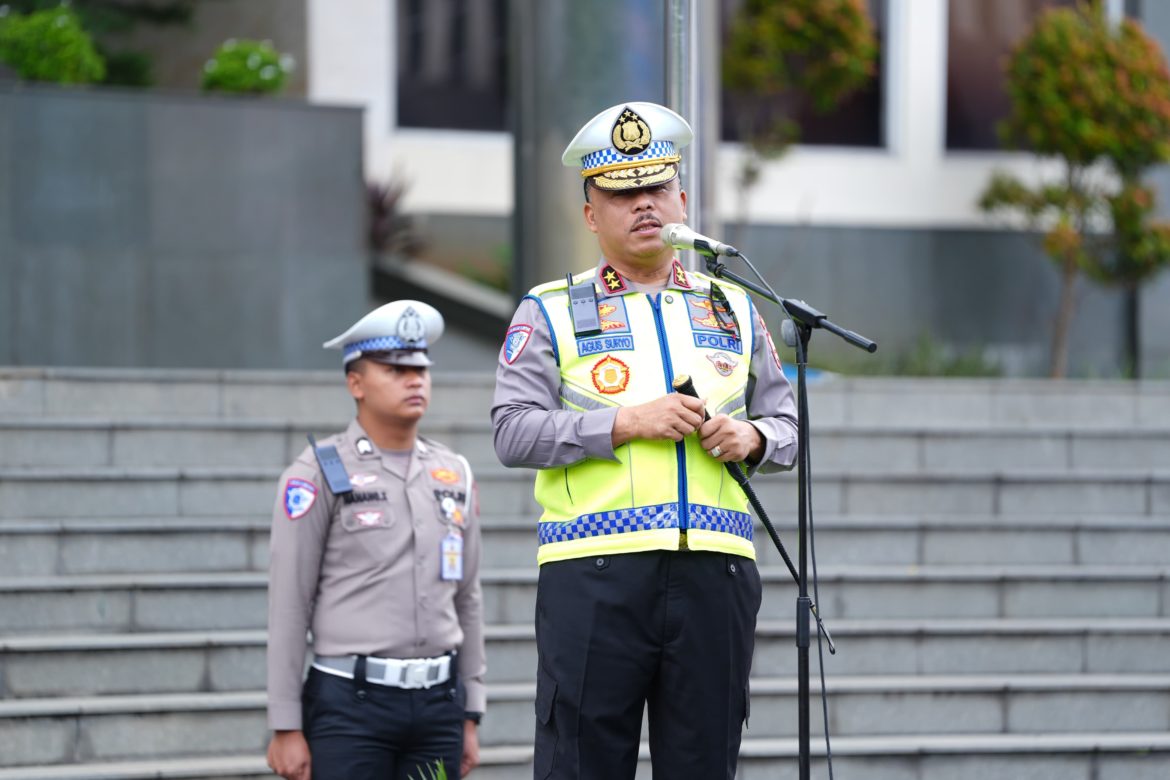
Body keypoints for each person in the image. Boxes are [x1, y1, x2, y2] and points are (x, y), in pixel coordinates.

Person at [492, 101, 799, 779]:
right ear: (590, 214)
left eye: (658, 187)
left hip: (716, 570)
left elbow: (788, 429)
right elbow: (512, 431)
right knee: (581, 765)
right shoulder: (549, 308)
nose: (644, 204)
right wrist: (626, 423)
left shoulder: (733, 305)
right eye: (621, 194)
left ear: (683, 199)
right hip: (594, 571)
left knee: (704, 765)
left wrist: (750, 437)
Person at [266, 300, 485, 780]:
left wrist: (471, 710)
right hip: (350, 706)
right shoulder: (317, 471)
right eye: (395, 370)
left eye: (421, 370)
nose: (415, 380)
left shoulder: (454, 472)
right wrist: (285, 723)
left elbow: (467, 596)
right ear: (356, 384)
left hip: (439, 704)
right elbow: (289, 601)